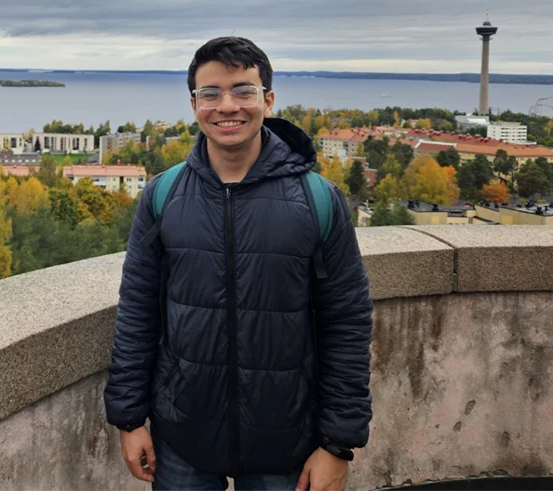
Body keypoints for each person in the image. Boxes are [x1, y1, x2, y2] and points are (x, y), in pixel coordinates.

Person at [103, 37, 373, 491]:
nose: (227, 106)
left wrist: (337, 445)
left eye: (243, 91)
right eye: (211, 93)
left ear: (268, 99)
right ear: (194, 105)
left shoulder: (317, 199)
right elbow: (137, 312)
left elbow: (346, 322)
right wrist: (130, 420)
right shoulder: (163, 195)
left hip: (287, 441)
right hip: (181, 436)